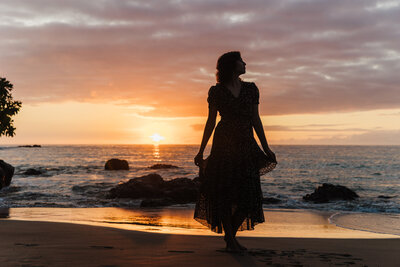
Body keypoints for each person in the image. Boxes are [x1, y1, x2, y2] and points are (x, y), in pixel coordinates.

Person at [193, 51, 277, 253]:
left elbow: (256, 120)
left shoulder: (251, 89)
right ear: (232, 65)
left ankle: (230, 236)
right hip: (223, 146)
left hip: (246, 145)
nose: (245, 63)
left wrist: (266, 147)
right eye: (241, 60)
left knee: (250, 197)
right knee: (223, 193)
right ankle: (231, 241)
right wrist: (201, 151)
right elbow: (211, 122)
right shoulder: (216, 91)